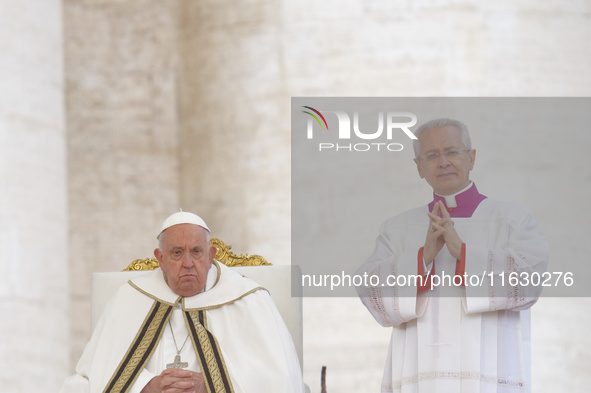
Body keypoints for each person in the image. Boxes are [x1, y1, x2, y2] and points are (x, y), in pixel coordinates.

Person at [356, 118, 548, 393]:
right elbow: (370, 290)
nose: (443, 161)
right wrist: (422, 258)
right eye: (432, 155)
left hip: (486, 370)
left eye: (452, 151)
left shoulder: (513, 220)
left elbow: (529, 283)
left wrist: (462, 253)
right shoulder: (396, 228)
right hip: (417, 369)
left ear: (471, 158)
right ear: (418, 167)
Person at [60, 211, 304, 393]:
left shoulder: (249, 300)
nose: (188, 263)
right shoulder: (130, 298)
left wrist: (210, 385)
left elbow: (279, 380)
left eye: (196, 252)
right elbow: (92, 374)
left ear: (211, 257)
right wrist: (147, 386)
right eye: (177, 253)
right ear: (160, 259)